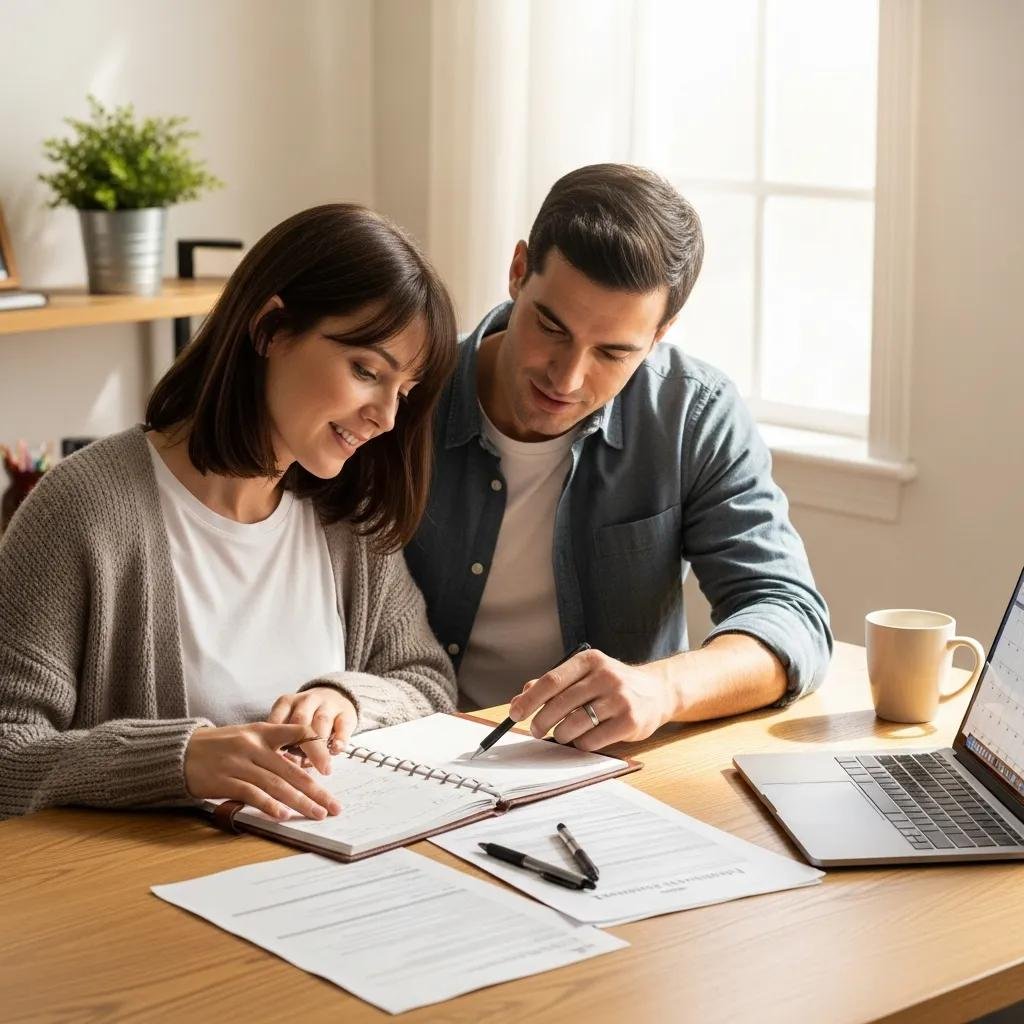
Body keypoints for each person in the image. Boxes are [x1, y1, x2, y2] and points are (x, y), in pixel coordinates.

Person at [0, 204, 458, 821]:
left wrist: (346, 698)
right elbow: (8, 748)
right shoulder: (84, 508)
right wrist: (180, 760)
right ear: (269, 330)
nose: (386, 417)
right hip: (140, 899)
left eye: (403, 391)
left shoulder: (345, 520)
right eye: (365, 371)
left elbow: (427, 682)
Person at [405, 163, 832, 750]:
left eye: (612, 352)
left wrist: (662, 690)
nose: (567, 376)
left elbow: (788, 614)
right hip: (416, 754)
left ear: (661, 333)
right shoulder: (406, 399)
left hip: (611, 768)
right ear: (518, 270)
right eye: (551, 327)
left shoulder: (693, 414)